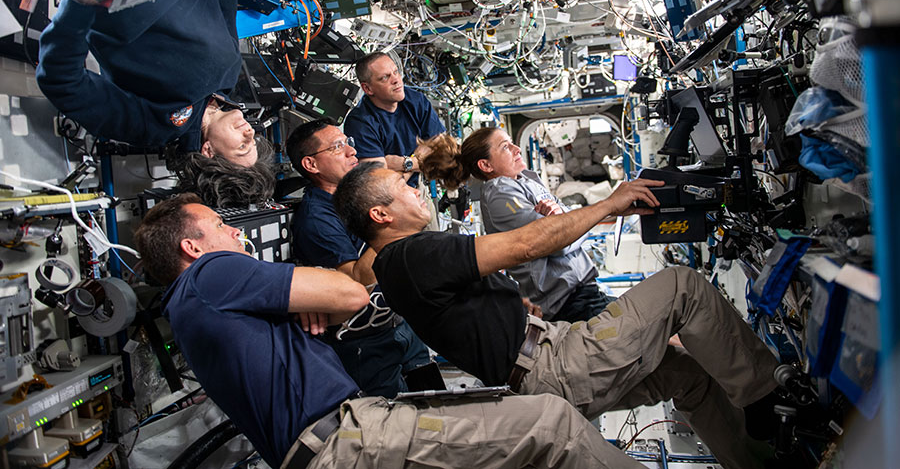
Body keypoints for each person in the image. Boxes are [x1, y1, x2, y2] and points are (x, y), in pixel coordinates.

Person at [134, 193, 649, 469]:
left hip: (339, 443)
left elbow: (334, 302)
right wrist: (313, 296)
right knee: (548, 424)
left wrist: (301, 304)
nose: (236, 232)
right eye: (221, 226)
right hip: (345, 443)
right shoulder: (211, 275)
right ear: (192, 249)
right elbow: (349, 295)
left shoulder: (200, 305)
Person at [332, 162, 782, 469]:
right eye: (404, 188)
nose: (417, 190)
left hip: (543, 356)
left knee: (690, 377)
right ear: (380, 214)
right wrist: (610, 204)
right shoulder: (414, 254)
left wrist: (513, 307)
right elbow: (526, 245)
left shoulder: (398, 263)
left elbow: (460, 302)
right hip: (555, 365)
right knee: (682, 286)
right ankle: (769, 395)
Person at [36, 0, 259, 168]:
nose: (250, 133)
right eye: (254, 142)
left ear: (208, 151)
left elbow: (62, 81)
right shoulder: (229, 77)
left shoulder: (156, 126)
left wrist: (78, 5)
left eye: (242, 147)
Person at [285, 118, 432, 397]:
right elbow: (356, 278)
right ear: (311, 165)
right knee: (396, 423)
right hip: (365, 342)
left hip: (399, 323)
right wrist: (391, 227)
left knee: (432, 401)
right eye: (337, 147)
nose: (352, 151)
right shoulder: (316, 218)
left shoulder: (352, 198)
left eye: (348, 142)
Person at [421, 128, 612, 322]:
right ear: (486, 165)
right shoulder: (500, 195)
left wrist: (564, 220)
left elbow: (571, 225)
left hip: (583, 292)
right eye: (505, 147)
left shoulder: (525, 181)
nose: (517, 149)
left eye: (512, 142)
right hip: (569, 303)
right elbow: (558, 242)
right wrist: (567, 225)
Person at [343, 52, 445, 185]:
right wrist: (422, 158)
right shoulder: (360, 122)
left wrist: (406, 163)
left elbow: (443, 152)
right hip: (387, 199)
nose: (396, 80)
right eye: (385, 77)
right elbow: (379, 181)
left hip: (417, 188)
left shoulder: (415, 100)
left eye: (396, 72)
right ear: (368, 88)